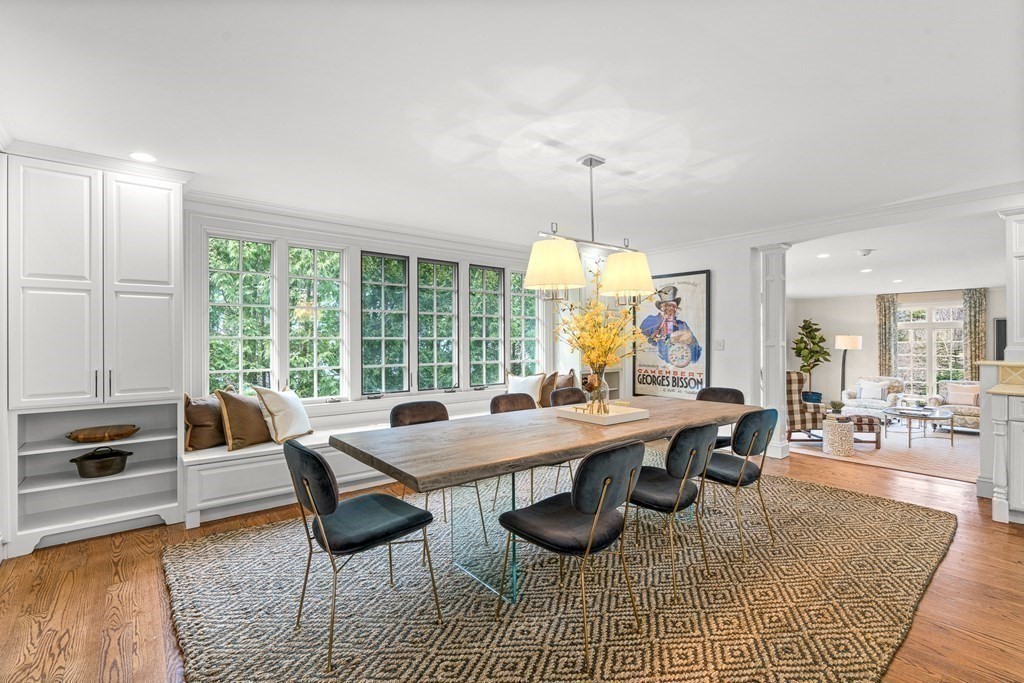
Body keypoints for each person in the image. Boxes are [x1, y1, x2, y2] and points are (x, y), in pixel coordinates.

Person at [639, 286, 702, 366]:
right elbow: (639, 345)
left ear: (676, 309)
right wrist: (652, 339)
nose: (670, 309)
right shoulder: (650, 321)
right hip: (656, 366)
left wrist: (691, 342)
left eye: (673, 306)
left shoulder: (682, 325)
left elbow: (696, 355)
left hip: (677, 368)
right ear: (661, 308)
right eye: (667, 306)